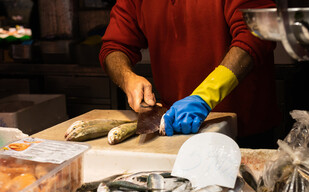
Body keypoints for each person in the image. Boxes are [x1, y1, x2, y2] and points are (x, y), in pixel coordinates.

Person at [99, 0, 282, 149]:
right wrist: (127, 78)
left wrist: (206, 95)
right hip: (175, 129)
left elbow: (258, 31)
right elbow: (115, 46)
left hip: (243, 132)